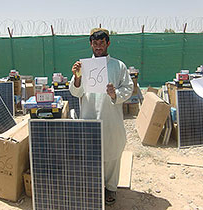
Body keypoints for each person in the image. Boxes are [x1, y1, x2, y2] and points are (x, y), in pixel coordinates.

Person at [69, 28, 134, 205]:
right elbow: (76, 92)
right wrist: (76, 78)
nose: (98, 47)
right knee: (91, 154)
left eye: (101, 43)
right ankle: (94, 187)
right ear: (91, 44)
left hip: (111, 118)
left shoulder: (118, 65)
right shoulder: (82, 66)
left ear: (108, 43)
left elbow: (128, 88)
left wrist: (115, 94)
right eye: (95, 43)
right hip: (89, 116)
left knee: (112, 153)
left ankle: (111, 188)